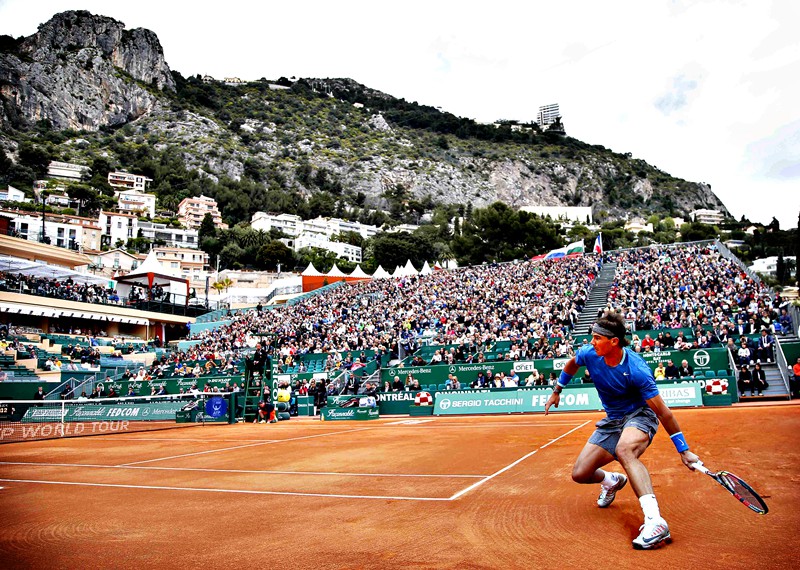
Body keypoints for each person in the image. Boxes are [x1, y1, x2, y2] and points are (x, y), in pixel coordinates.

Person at [545, 310, 700, 550]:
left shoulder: (637, 369)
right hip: (613, 420)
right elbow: (572, 364)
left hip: (640, 415)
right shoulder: (590, 353)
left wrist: (684, 450)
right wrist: (557, 389)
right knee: (580, 473)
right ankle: (611, 481)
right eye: (592, 337)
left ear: (613, 341)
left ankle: (655, 521)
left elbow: (663, 412)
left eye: (597, 338)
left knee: (625, 450)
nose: (591, 342)